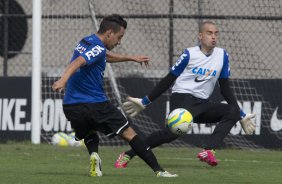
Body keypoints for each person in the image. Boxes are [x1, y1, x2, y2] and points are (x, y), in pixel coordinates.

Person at [115, 21, 256, 168]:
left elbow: (225, 88)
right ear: (200, 36)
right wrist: (145, 101)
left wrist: (241, 114)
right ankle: (128, 154)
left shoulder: (222, 56)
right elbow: (169, 79)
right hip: (183, 99)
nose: (213, 37)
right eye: (209, 33)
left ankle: (208, 151)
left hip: (203, 103)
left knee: (232, 111)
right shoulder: (189, 54)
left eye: (216, 33)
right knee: (170, 135)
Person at [52, 14, 177, 177]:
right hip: (95, 104)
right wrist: (63, 80)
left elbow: (102, 55)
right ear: (109, 33)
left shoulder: (86, 41)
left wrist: (130, 58)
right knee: (129, 134)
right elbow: (77, 62)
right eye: (119, 37)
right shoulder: (96, 47)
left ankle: (94, 156)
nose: (119, 42)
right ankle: (159, 171)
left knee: (90, 131)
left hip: (71, 106)